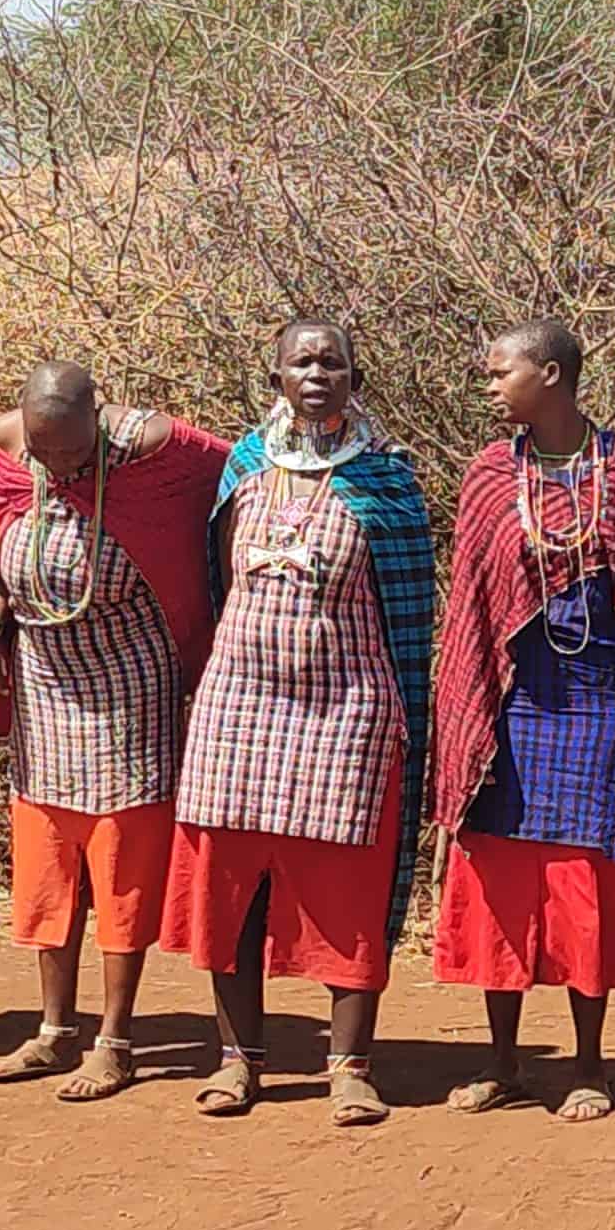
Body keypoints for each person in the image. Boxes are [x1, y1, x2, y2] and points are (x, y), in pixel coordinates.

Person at [164, 319, 432, 1126]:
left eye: (333, 363)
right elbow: (217, 582)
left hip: (348, 706)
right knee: (233, 887)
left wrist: (400, 716)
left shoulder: (387, 480)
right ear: (276, 376)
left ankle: (349, 1066)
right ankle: (238, 1059)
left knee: (348, 884)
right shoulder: (245, 468)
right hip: (239, 704)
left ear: (355, 379)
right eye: (302, 362)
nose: (318, 374)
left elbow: (408, 614)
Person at [0, 362, 230, 1101]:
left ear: (100, 418)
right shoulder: (10, 447)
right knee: (47, 856)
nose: (56, 464)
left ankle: (115, 1038)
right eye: (43, 451)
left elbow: (234, 482)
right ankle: (55, 1029)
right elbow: (5, 550)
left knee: (122, 863)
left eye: (71, 451)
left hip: (131, 683)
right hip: (45, 684)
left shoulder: (156, 452)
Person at [431, 318, 615, 1124]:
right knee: (502, 876)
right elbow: (471, 602)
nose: (491, 387)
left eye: (502, 373)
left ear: (553, 375)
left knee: (583, 878)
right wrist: (466, 713)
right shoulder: (491, 474)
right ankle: (502, 1061)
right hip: (512, 697)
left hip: (601, 699)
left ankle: (590, 1064)